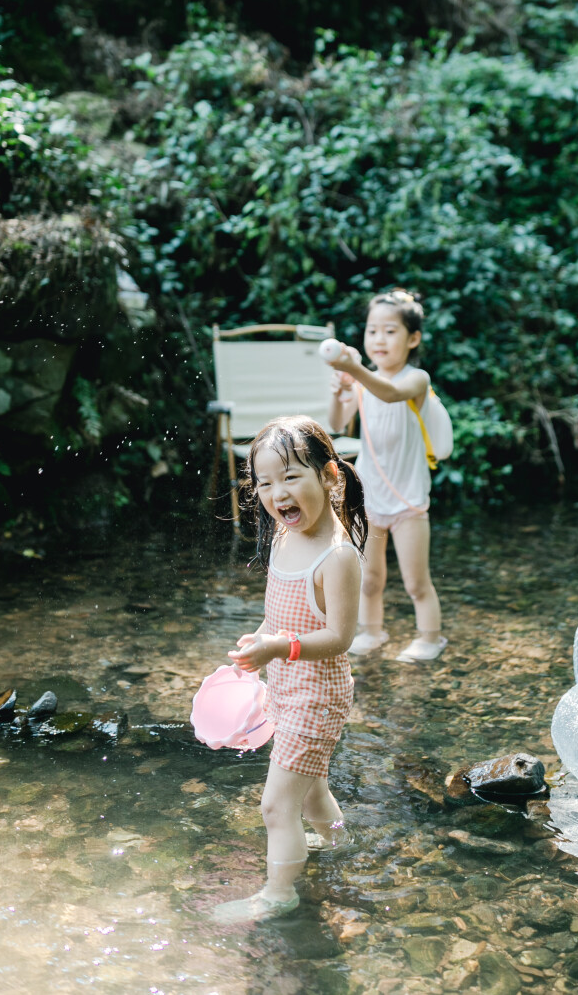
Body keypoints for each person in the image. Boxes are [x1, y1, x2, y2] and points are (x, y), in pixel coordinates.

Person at [211, 416, 366, 925]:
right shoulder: (285, 532)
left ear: (329, 477)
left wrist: (279, 647)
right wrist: (264, 638)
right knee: (312, 788)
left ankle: (280, 894)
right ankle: (340, 846)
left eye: (292, 477)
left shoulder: (337, 557)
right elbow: (284, 610)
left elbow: (340, 638)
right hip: (287, 685)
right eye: (265, 482)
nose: (278, 493)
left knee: (277, 806)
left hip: (318, 697)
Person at [327, 289, 447, 663]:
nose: (379, 339)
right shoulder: (363, 381)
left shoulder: (417, 379)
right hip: (370, 497)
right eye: (372, 330)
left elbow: (393, 394)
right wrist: (340, 391)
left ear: (413, 338)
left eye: (390, 331)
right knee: (370, 578)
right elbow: (336, 423)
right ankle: (372, 632)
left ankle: (431, 637)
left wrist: (355, 371)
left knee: (416, 581)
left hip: (408, 499)